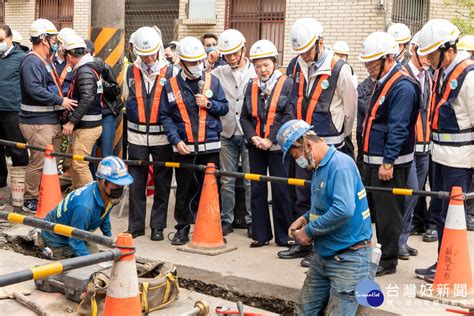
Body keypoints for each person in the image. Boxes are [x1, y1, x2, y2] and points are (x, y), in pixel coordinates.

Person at [277, 119, 373, 315]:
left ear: (307, 145)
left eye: (297, 156)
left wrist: (308, 231)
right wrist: (305, 218)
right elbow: (326, 203)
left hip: (349, 258)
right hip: (325, 254)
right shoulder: (320, 168)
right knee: (304, 310)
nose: (299, 162)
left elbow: (344, 210)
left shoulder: (340, 165)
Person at [282, 18, 357, 266]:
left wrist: (339, 135)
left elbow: (350, 110)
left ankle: (321, 246)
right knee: (302, 194)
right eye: (300, 52)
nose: (303, 56)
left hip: (328, 144)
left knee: (325, 197)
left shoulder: (339, 68)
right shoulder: (294, 66)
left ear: (319, 42)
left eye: (307, 50)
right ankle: (303, 243)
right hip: (303, 144)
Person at [415, 19, 474, 282]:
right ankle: (443, 262)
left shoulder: (469, 77)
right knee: (439, 213)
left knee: (453, 216)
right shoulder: (442, 71)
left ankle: (451, 268)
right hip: (439, 155)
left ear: (447, 50)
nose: (426, 58)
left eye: (431, 54)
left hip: (460, 161)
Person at [359, 31, 418, 276]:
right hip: (374, 159)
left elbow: (398, 127)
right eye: (367, 64)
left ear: (388, 58)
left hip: (388, 163)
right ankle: (378, 254)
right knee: (374, 211)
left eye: (373, 63)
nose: (369, 68)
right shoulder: (384, 81)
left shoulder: (402, 86)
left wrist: (388, 162)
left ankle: (388, 260)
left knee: (388, 214)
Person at [160, 36, 229, 245]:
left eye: (200, 61)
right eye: (192, 62)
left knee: (209, 189)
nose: (198, 66)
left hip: (210, 147)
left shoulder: (212, 81)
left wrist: (208, 104)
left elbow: (224, 107)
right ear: (181, 63)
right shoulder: (170, 85)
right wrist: (175, 140)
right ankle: (182, 228)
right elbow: (166, 116)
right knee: (184, 189)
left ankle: (209, 226)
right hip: (184, 148)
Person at [124, 26, 178, 241]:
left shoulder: (171, 71)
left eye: (150, 54)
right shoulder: (131, 70)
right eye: (143, 55)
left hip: (162, 137)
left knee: (162, 183)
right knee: (136, 183)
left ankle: (158, 226)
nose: (147, 59)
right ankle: (135, 226)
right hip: (136, 136)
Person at [19, 19, 77, 213]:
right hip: (36, 122)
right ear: (43, 39)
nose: (55, 42)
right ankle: (30, 198)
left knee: (49, 161)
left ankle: (44, 193)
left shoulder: (45, 61)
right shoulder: (31, 61)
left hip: (49, 121)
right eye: (52, 38)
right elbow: (34, 89)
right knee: (38, 161)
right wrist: (60, 101)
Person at [240, 39, 294, 247]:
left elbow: (288, 115)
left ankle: (284, 236)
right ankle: (260, 235)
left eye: (266, 65)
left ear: (275, 63)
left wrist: (270, 138)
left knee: (281, 190)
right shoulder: (250, 86)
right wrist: (253, 137)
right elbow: (244, 116)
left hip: (278, 146)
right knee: (257, 189)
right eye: (258, 66)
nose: (262, 70)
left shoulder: (287, 84)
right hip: (256, 146)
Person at [40, 156, 133, 259]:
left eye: (122, 184)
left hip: (79, 230)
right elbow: (75, 242)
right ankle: (46, 247)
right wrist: (90, 265)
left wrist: (110, 241)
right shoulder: (85, 207)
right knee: (74, 268)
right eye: (115, 184)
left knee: (97, 257)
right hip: (57, 238)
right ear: (100, 181)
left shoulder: (107, 196)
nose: (119, 188)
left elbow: (104, 216)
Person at [212, 29, 256, 237]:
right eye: (226, 55)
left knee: (249, 180)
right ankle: (226, 219)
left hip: (248, 133)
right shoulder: (219, 72)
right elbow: (200, 77)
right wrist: (209, 60)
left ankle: (251, 220)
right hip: (227, 131)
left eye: (234, 53)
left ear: (243, 49)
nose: (231, 58)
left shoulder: (255, 72)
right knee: (227, 180)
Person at [398, 32, 433, 260]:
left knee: (415, 196)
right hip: (408, 148)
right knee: (406, 196)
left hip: (425, 146)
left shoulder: (429, 76)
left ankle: (404, 239)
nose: (430, 58)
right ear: (414, 50)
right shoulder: (402, 74)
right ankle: (396, 241)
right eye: (426, 53)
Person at [62, 34, 103, 189]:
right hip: (87, 124)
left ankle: (91, 199)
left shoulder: (84, 71)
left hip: (87, 126)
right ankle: (77, 192)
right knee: (72, 160)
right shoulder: (88, 67)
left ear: (70, 56)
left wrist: (71, 122)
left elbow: (87, 98)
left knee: (79, 163)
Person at [0, 24, 29, 200]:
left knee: (17, 149)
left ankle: (20, 186)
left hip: (12, 111)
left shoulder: (21, 58)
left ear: (10, 39)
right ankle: (1, 180)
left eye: (1, 40)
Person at [84, 39, 122, 174]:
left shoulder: (104, 67)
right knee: (89, 156)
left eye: (88, 53)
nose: (86, 56)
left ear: (94, 53)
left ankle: (108, 185)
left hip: (106, 115)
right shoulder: (79, 69)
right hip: (88, 117)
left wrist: (102, 83)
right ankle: (93, 183)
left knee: (106, 154)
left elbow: (116, 90)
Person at [53, 28, 76, 96]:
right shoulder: (48, 59)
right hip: (52, 101)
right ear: (59, 43)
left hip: (69, 102)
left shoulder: (74, 62)